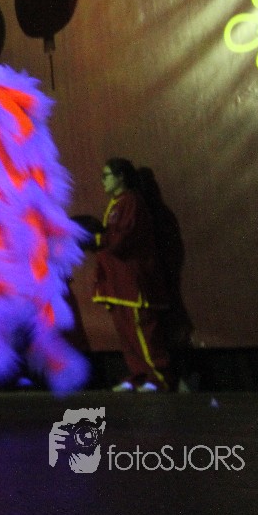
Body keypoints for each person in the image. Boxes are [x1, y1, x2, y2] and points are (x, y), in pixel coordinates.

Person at [92, 158, 171, 392]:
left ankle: (159, 378)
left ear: (121, 177)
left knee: (143, 331)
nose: (103, 181)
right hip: (117, 282)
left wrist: (98, 239)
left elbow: (124, 238)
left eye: (106, 175)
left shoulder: (131, 202)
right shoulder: (116, 203)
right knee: (127, 334)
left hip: (132, 282)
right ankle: (139, 376)